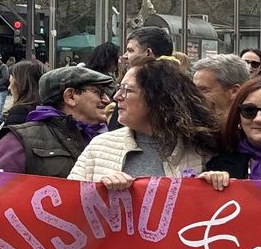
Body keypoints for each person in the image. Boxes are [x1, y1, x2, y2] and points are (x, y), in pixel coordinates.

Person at [69, 59, 214, 184]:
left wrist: (214, 185)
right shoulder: (100, 147)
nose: (117, 96)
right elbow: (68, 202)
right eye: (119, 88)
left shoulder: (198, 149)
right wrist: (99, 191)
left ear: (157, 98)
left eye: (127, 90)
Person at [0, 67, 114, 179]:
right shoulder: (17, 141)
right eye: (98, 92)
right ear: (70, 96)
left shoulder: (112, 140)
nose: (107, 99)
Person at [192, 54, 251, 124]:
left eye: (203, 90)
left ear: (234, 91)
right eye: (194, 89)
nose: (194, 96)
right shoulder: (190, 127)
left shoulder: (253, 129)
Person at [1, 58, 46, 127]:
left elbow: (7, 137)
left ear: (22, 85)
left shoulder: (20, 112)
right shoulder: (51, 110)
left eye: (11, 82)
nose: (9, 87)